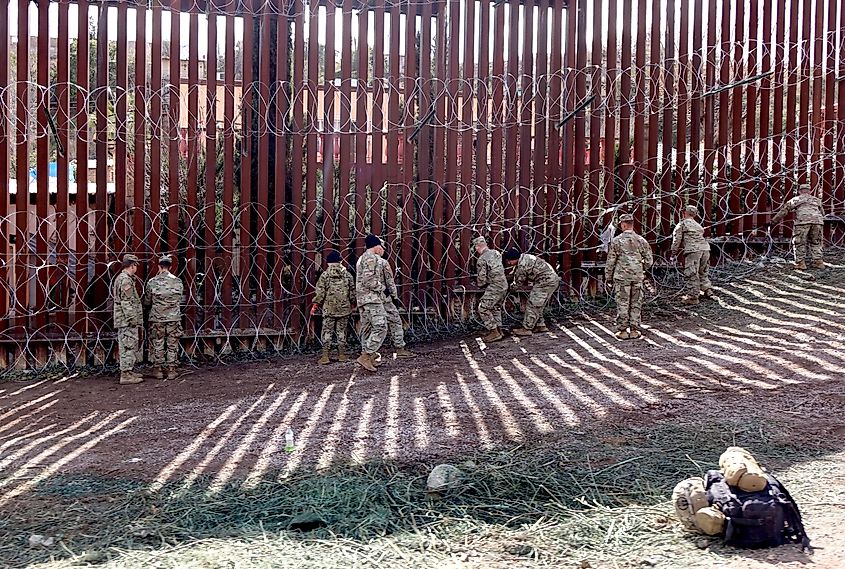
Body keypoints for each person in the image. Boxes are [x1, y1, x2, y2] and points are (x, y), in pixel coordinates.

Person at [606, 214, 653, 340]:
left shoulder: (617, 241)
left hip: (622, 277)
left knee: (623, 302)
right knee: (636, 302)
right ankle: (634, 329)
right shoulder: (641, 240)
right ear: (632, 224)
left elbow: (611, 261)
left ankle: (622, 330)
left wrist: (608, 277)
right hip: (637, 276)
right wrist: (642, 268)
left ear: (623, 224)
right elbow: (649, 260)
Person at [143, 255, 184, 379]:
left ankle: (158, 370)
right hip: (173, 317)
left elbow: (147, 301)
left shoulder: (152, 282)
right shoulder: (177, 281)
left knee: (158, 342)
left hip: (157, 317)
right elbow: (179, 298)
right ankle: (172, 370)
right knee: (172, 343)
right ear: (170, 266)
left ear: (159, 266)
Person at [311, 250, 355, 365]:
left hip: (329, 309)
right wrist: (353, 304)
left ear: (328, 263)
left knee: (327, 332)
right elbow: (352, 293)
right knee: (341, 332)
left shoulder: (325, 275)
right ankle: (341, 355)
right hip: (344, 309)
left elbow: (320, 293)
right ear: (340, 261)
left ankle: (325, 356)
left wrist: (315, 306)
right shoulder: (347, 275)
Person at [502, 249, 560, 336]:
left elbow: (518, 282)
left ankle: (526, 328)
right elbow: (514, 273)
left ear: (514, 259)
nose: (508, 263)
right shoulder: (524, 258)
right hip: (550, 280)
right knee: (538, 304)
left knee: (533, 304)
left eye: (509, 261)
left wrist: (508, 289)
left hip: (546, 282)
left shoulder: (522, 265)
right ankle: (540, 325)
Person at [770, 183, 825, 270]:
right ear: (809, 191)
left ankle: (800, 263)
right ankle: (818, 262)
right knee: (816, 242)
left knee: (799, 242)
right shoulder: (816, 200)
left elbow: (784, 211)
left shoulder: (796, 199)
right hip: (817, 222)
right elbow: (822, 213)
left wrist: (773, 221)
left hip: (802, 222)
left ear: (799, 191)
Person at [355, 234, 389, 372]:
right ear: (376, 246)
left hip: (363, 299)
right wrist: (383, 289)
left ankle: (370, 356)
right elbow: (368, 280)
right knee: (381, 326)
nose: (382, 249)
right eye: (380, 246)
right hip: (371, 299)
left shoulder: (361, 258)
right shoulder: (371, 258)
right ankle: (366, 355)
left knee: (368, 328)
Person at [378, 249, 417, 359]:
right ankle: (400, 348)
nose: (383, 250)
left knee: (370, 324)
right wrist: (394, 297)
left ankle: (368, 353)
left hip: (369, 299)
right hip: (384, 298)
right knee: (395, 320)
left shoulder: (362, 261)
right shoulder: (382, 262)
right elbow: (390, 282)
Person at [671, 205, 713, 305]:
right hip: (705, 249)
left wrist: (673, 252)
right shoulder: (698, 225)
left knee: (692, 273)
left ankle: (693, 297)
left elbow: (677, 239)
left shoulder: (682, 224)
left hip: (693, 251)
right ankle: (707, 290)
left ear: (684, 213)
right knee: (703, 271)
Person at [112, 254, 144, 384]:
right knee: (128, 345)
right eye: (136, 266)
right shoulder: (125, 280)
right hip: (126, 320)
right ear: (132, 266)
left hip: (123, 319)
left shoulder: (122, 278)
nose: (136, 268)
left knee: (127, 345)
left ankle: (129, 371)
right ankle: (126, 375)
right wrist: (132, 319)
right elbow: (127, 302)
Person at [473, 236, 507, 342]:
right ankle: (499, 330)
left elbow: (482, 279)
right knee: (495, 307)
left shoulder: (481, 259)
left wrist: (479, 284)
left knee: (483, 308)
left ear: (477, 247)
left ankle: (494, 332)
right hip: (504, 284)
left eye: (475, 248)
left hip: (495, 286)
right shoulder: (496, 253)